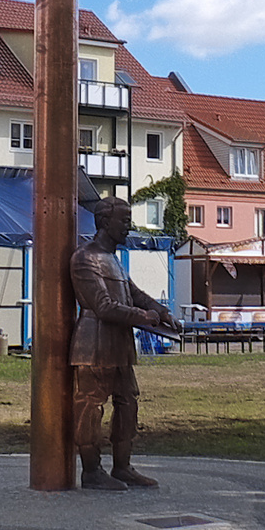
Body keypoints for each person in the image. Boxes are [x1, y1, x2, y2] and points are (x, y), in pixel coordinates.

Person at [69, 195, 182, 490]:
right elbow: (103, 306)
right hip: (93, 346)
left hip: (119, 345)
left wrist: (162, 311)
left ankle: (122, 467)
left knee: (128, 403)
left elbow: (134, 293)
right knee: (91, 407)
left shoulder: (113, 260)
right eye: (125, 221)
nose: (129, 228)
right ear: (105, 222)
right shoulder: (85, 258)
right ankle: (91, 471)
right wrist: (144, 316)